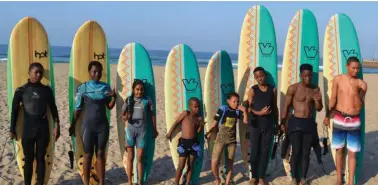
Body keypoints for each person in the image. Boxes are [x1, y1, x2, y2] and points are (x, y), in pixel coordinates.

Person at [9, 62, 60, 185]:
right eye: (36, 72)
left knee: (41, 158)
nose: (38, 75)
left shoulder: (47, 90)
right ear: (29, 72)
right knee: (28, 159)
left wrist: (57, 126)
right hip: (28, 128)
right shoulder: (21, 90)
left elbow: (54, 109)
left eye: (41, 73)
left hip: (43, 128)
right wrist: (12, 128)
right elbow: (14, 111)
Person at [69, 61, 116, 185]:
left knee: (100, 153)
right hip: (87, 127)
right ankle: (86, 181)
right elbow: (78, 108)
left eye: (99, 71)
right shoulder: (83, 88)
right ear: (89, 72)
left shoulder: (106, 87)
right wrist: (73, 125)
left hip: (102, 126)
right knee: (88, 155)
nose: (97, 74)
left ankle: (101, 182)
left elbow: (109, 106)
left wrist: (114, 97)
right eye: (94, 71)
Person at [323, 57, 367, 185]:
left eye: (358, 68)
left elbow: (359, 106)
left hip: (354, 119)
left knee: (352, 152)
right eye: (353, 68)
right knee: (339, 150)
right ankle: (338, 178)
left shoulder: (361, 83)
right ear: (347, 66)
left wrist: (358, 91)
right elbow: (333, 99)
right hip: (339, 117)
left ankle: (350, 181)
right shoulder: (338, 79)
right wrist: (327, 116)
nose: (355, 70)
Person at [281, 64, 323, 185]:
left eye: (309, 75)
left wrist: (318, 100)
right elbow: (286, 107)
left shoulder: (315, 89)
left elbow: (319, 109)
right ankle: (294, 178)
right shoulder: (293, 88)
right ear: (300, 75)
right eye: (305, 76)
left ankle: (303, 178)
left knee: (306, 153)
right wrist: (283, 122)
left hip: (308, 123)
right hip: (296, 122)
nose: (308, 78)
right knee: (296, 151)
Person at [206, 92, 248, 185]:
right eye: (234, 101)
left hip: (232, 141)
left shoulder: (237, 112)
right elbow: (215, 123)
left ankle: (227, 182)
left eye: (237, 101)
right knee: (214, 161)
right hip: (220, 139)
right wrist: (209, 133)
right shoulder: (223, 109)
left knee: (230, 163)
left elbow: (245, 121)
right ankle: (217, 179)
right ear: (228, 101)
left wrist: (244, 111)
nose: (236, 103)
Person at [121, 79, 158, 185]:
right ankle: (129, 181)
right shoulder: (129, 100)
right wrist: (125, 117)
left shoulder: (147, 100)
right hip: (130, 132)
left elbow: (152, 115)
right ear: (133, 89)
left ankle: (140, 182)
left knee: (140, 157)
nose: (139, 92)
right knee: (130, 157)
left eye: (141, 90)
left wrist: (155, 129)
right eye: (137, 89)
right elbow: (121, 115)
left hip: (142, 132)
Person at [247, 67, 278, 185]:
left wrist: (277, 123)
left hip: (268, 125)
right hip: (255, 125)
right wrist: (259, 113)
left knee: (265, 151)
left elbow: (275, 108)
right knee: (255, 151)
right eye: (257, 77)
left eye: (262, 75)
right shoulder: (253, 90)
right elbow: (248, 108)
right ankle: (254, 176)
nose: (260, 78)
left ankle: (261, 177)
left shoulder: (272, 89)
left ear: (265, 75)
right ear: (255, 78)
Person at [166, 97, 205, 185]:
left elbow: (197, 133)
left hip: (194, 144)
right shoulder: (185, 114)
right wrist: (170, 133)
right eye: (195, 107)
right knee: (181, 166)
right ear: (190, 107)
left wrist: (201, 126)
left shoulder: (199, 118)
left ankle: (187, 182)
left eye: (198, 106)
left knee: (190, 165)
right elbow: (176, 122)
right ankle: (176, 182)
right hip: (184, 143)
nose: (197, 109)